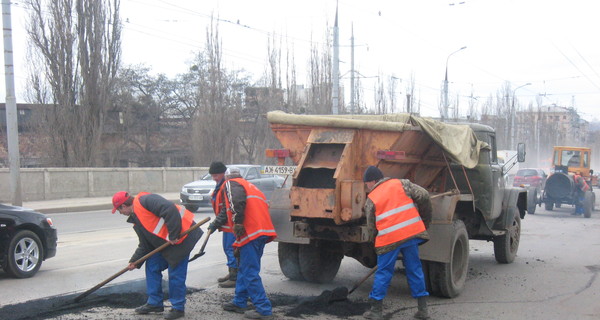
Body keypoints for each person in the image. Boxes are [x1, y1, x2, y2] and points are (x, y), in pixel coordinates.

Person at [112, 191, 202, 320]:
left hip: (182, 239)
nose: (120, 213)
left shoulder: (145, 200)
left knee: (175, 273)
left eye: (119, 210)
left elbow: (169, 209)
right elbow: (145, 244)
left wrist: (173, 234)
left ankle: (178, 307)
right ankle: (154, 303)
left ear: (123, 206)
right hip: (168, 243)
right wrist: (135, 261)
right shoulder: (136, 218)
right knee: (152, 265)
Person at [361, 166, 432, 320]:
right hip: (410, 234)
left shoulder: (371, 199)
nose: (367, 187)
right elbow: (424, 195)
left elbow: (371, 227)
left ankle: (376, 312)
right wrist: (425, 221)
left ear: (373, 181)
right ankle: (423, 310)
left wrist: (376, 245)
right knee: (414, 269)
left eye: (367, 183)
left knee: (384, 273)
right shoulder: (402, 183)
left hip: (388, 240)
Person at [208, 167, 277, 320]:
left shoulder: (231, 184)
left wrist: (238, 223)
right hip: (260, 232)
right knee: (244, 269)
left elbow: (236, 202)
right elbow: (228, 209)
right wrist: (215, 224)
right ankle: (239, 302)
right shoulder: (250, 186)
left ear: (227, 178)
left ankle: (264, 309)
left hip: (250, 232)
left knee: (249, 271)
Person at [207, 161, 238, 288]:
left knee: (231, 249)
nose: (214, 178)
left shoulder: (226, 186)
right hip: (226, 225)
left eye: (216, 175)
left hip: (231, 224)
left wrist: (215, 223)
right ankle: (231, 272)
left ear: (223, 173)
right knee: (227, 248)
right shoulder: (219, 186)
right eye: (212, 176)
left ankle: (235, 276)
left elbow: (226, 209)